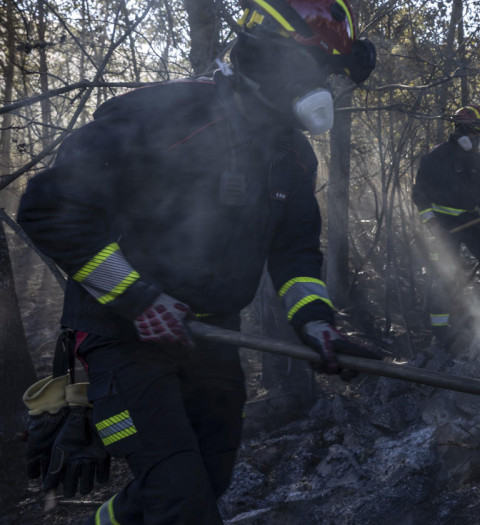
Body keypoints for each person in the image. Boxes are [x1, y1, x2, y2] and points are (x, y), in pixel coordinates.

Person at [17, 0, 377, 522]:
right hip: (122, 337)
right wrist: (140, 299)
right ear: (273, 62)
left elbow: (295, 252)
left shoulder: (292, 154)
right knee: (178, 497)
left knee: (206, 483)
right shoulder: (163, 115)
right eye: (317, 70)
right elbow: (48, 210)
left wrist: (316, 325)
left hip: (213, 339)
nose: (323, 90)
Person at [413, 105, 480, 346]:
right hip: (443, 225)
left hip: (471, 221)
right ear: (461, 132)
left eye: (479, 135)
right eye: (474, 134)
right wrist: (432, 225)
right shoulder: (436, 157)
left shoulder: (476, 161)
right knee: (444, 276)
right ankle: (440, 332)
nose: (477, 139)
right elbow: (419, 195)